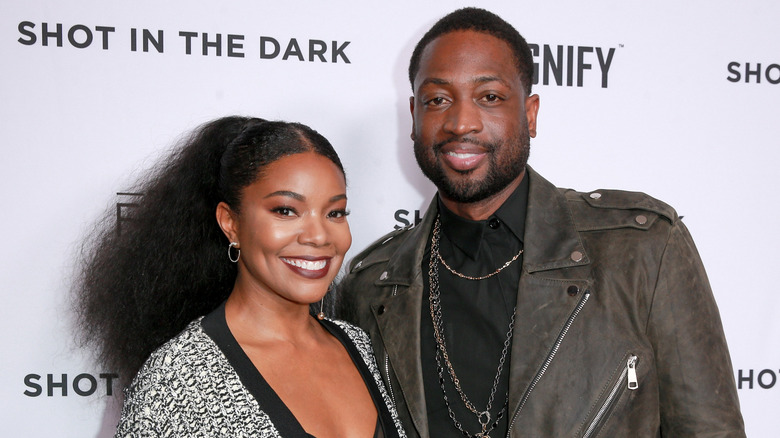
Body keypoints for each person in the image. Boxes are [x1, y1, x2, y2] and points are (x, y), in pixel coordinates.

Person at [337, 7, 745, 438]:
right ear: (414, 118)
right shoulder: (373, 284)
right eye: (438, 100)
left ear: (530, 114)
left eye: (489, 97)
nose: (461, 123)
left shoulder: (642, 249)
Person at [73, 116, 407, 437]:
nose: (319, 236)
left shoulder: (358, 345)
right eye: (286, 211)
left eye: (334, 212)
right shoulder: (178, 379)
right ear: (230, 222)